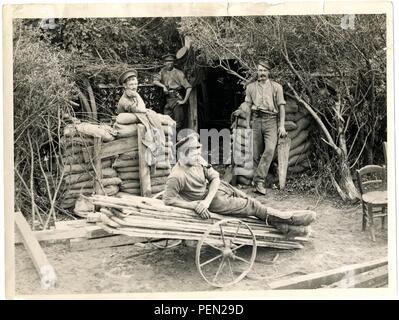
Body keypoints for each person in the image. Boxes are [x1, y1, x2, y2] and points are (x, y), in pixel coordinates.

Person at [163, 133, 316, 237]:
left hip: (214, 191)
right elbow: (168, 200)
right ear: (183, 154)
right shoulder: (177, 176)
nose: (198, 155)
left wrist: (206, 200)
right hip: (215, 201)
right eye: (194, 152)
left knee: (249, 200)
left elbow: (215, 177)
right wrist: (195, 205)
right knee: (252, 206)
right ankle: (289, 219)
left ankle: (283, 227)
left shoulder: (198, 161)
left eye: (198, 150)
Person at [234, 60, 287, 195]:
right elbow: (247, 107)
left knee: (269, 149)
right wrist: (246, 124)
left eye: (264, 70)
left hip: (271, 121)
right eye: (259, 70)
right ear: (256, 72)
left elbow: (281, 106)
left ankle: (258, 180)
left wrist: (281, 126)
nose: (262, 73)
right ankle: (258, 184)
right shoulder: (250, 87)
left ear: (269, 72)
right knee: (256, 153)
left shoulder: (277, 87)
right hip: (256, 120)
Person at [153, 53, 192, 131]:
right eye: (167, 61)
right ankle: (171, 141)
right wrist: (163, 86)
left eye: (171, 61)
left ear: (174, 62)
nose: (169, 63)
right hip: (168, 99)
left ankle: (179, 141)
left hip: (176, 98)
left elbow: (189, 87)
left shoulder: (178, 73)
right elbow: (155, 81)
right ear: (164, 63)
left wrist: (184, 101)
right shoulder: (162, 71)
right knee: (167, 121)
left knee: (178, 123)